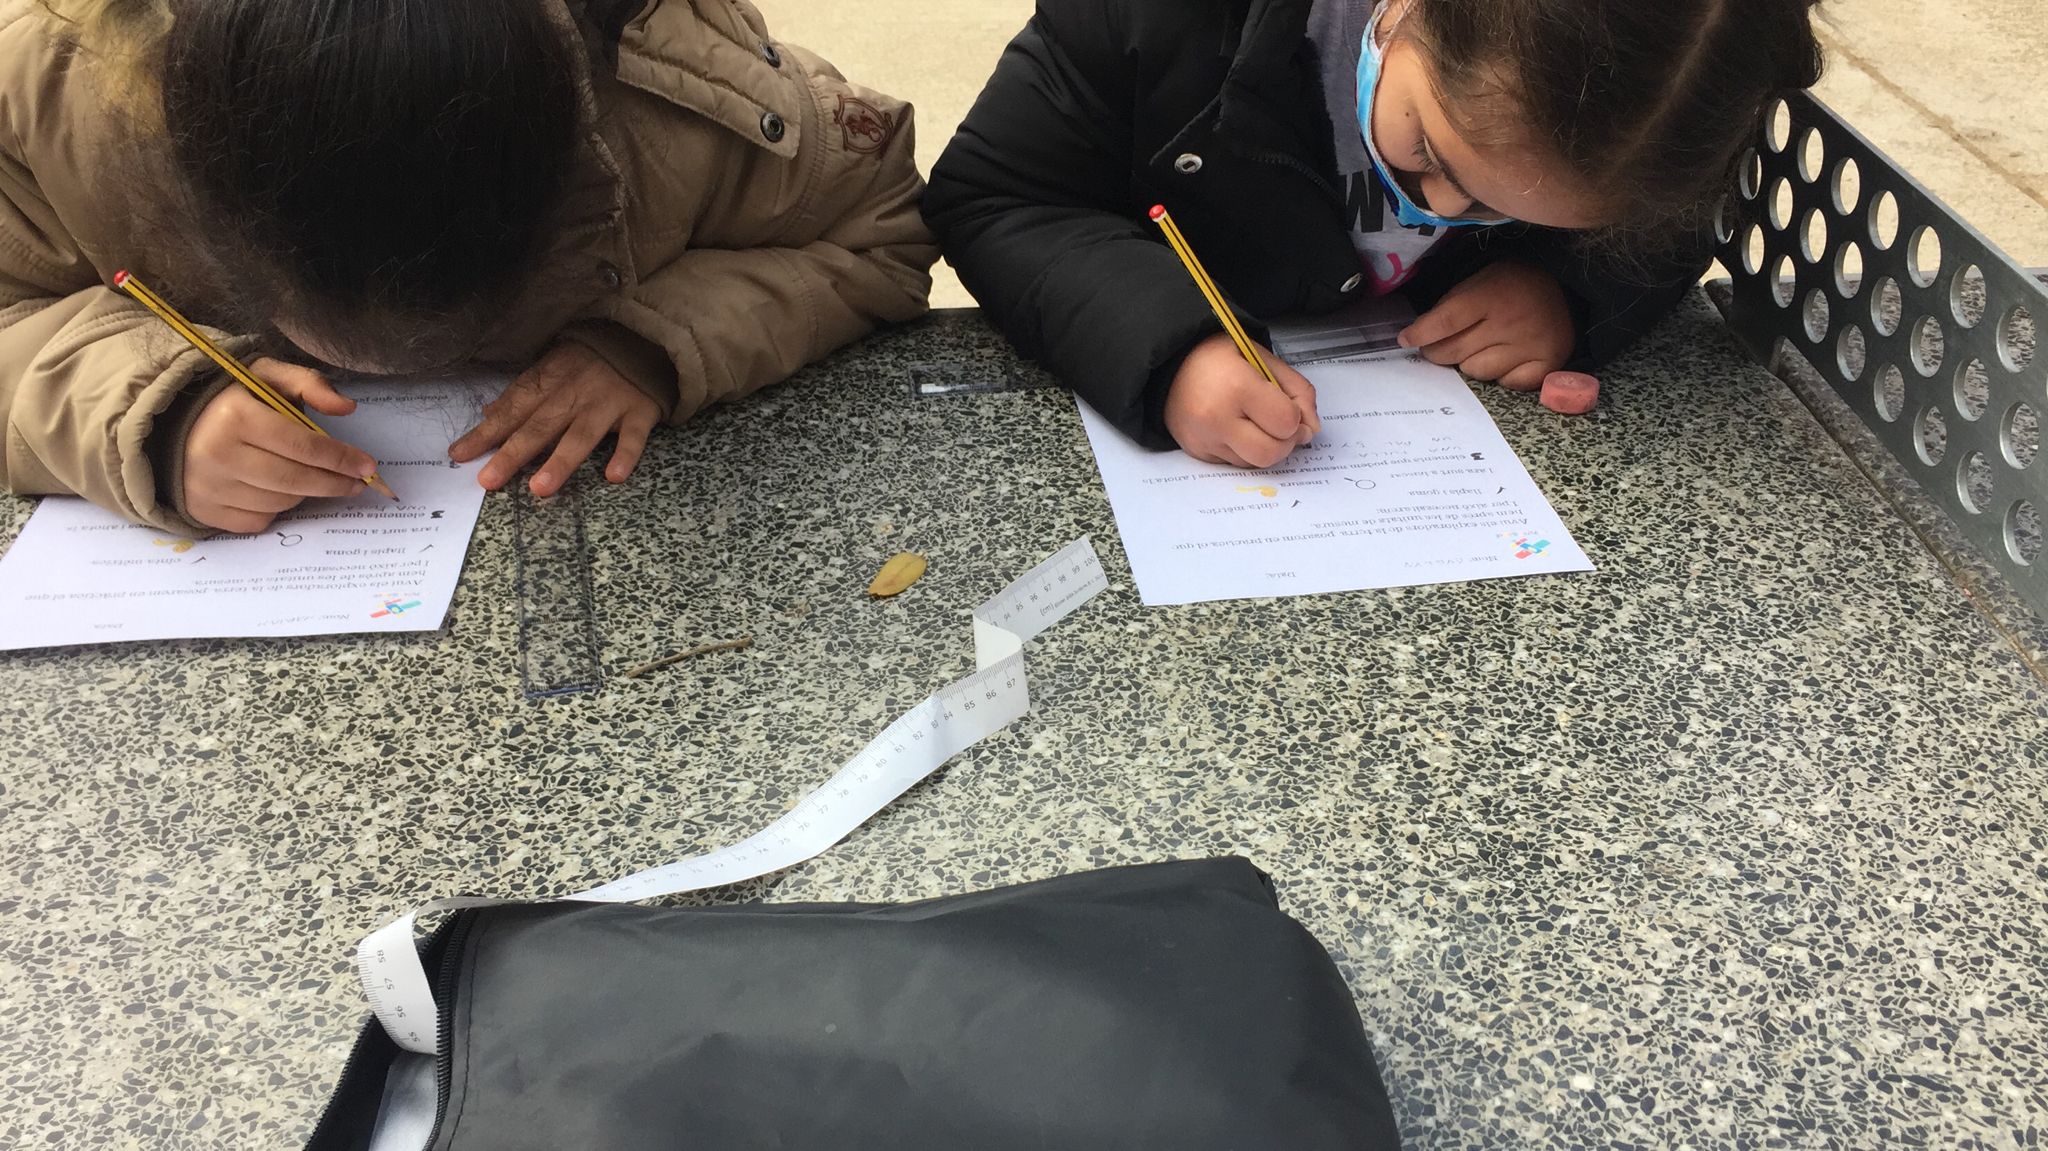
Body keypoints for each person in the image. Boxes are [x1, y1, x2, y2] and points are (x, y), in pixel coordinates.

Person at [0, 0, 936, 534]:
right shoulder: (59, 97)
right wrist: (154, 414)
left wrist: (650, 342)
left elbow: (881, 224)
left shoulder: (672, 100)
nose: (384, 365)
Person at [924, 0, 1823, 469]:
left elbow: (1677, 227)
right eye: (1429, 150)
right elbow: (997, 197)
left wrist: (1569, 288)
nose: (1439, 211)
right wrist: (1169, 351)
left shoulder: (1675, 103)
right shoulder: (1158, 19)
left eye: (1509, 210)